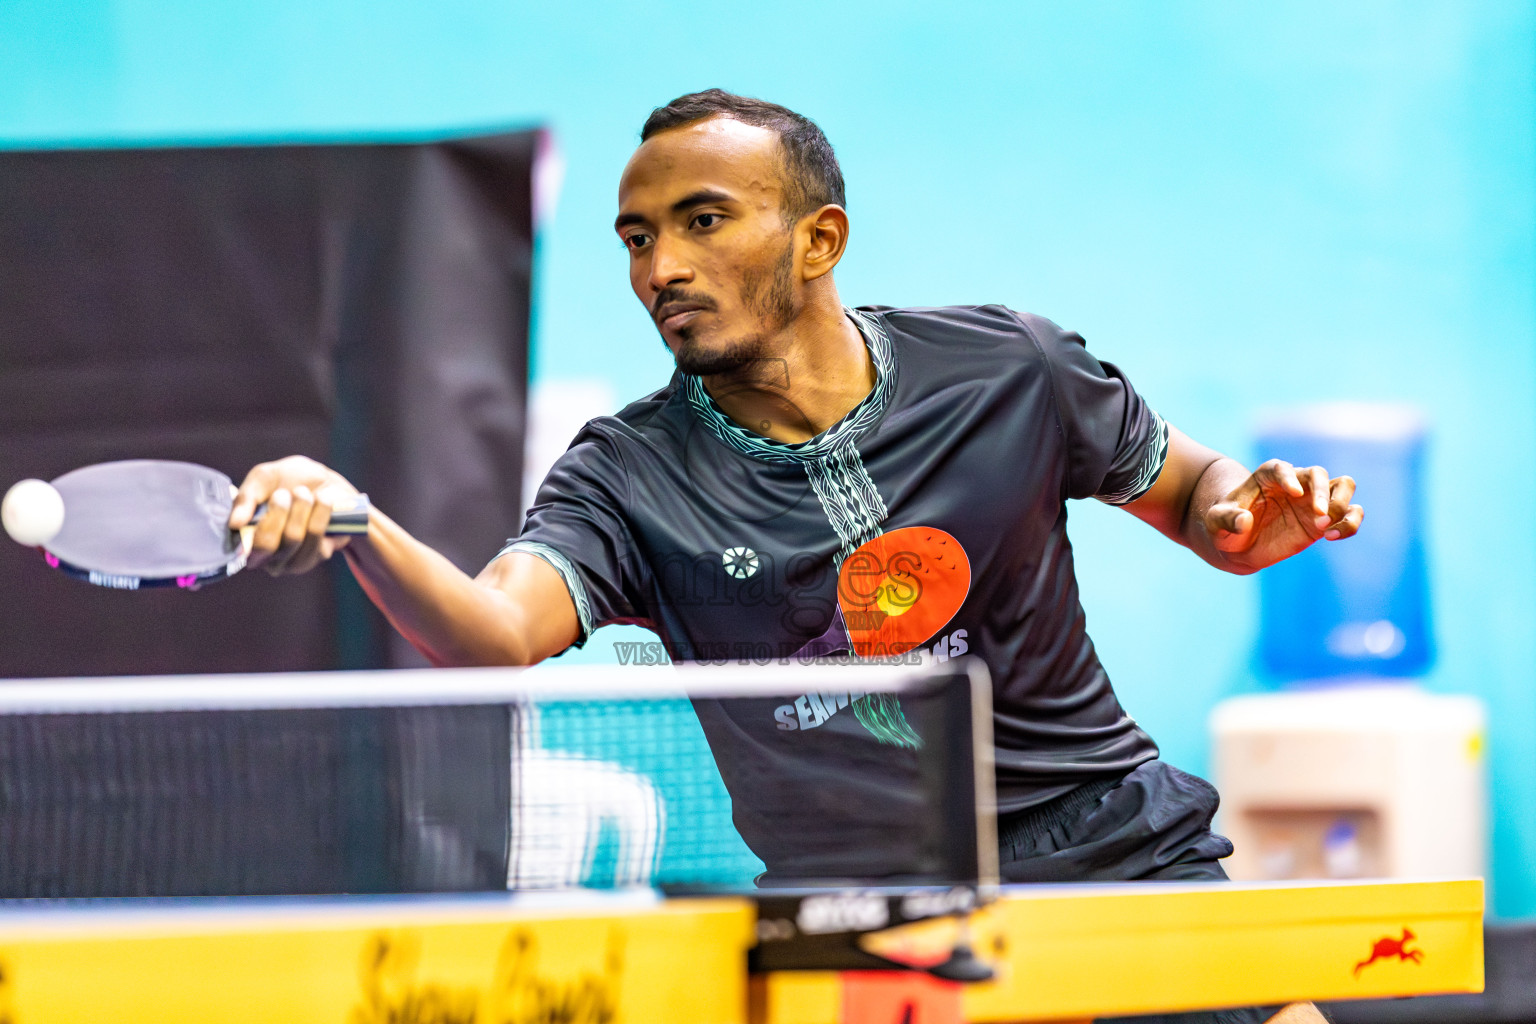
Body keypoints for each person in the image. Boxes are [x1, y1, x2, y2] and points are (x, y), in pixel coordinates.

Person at [232, 90, 1360, 1024]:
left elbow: (1196, 497)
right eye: (638, 238)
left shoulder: (1010, 367)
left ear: (819, 239)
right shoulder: (626, 473)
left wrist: (1241, 517)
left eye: (703, 220)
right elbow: (494, 634)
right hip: (863, 911)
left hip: (1112, 849)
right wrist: (358, 522)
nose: (661, 266)